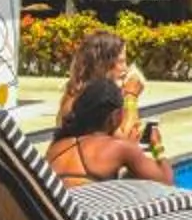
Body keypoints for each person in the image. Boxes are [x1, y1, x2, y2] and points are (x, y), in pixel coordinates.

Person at [49, 31, 171, 185]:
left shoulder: (85, 94)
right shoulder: (80, 101)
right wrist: (131, 96)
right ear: (103, 63)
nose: (125, 68)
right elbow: (126, 138)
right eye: (120, 62)